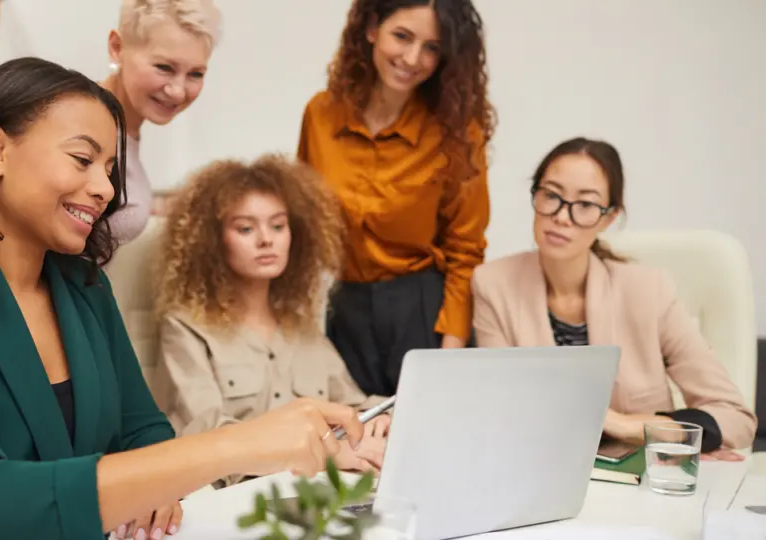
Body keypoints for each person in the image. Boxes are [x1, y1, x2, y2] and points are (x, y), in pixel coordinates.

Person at [0, 57, 365, 540]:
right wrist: (240, 444)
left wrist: (156, 482)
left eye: (109, 169)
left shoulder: (84, 289)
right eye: (82, 159)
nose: (106, 189)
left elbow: (142, 430)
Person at [470, 137, 757, 459]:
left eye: (586, 205)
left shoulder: (648, 290)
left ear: (609, 217)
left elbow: (735, 418)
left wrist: (625, 425)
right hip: (538, 469)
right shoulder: (494, 285)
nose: (563, 217)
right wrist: (673, 436)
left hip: (640, 484)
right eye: (551, 195)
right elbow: (503, 414)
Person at [149, 154, 392, 488]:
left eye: (278, 225)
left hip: (315, 493)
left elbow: (352, 406)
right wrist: (325, 454)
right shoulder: (186, 327)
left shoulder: (302, 326)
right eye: (246, 228)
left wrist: (387, 417)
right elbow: (206, 434)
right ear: (212, 240)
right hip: (236, 500)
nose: (266, 239)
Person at [296, 0, 496, 397]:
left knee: (428, 440)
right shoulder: (320, 115)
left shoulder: (457, 132)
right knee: (354, 444)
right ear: (371, 28)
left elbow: (465, 251)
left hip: (421, 309)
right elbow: (302, 219)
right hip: (346, 309)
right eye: (402, 36)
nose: (412, 58)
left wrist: (452, 346)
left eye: (431, 47)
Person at [101, 0, 221, 244]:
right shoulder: (81, 126)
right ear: (117, 47)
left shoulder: (127, 129)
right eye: (164, 67)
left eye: (195, 74)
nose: (178, 91)